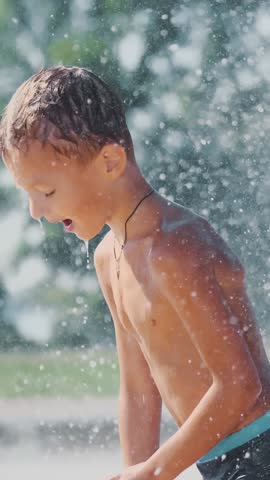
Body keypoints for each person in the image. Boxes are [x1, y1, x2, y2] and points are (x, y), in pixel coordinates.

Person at [1, 66, 270, 480]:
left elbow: (239, 386)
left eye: (48, 192)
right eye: (29, 196)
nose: (37, 212)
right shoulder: (109, 258)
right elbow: (139, 391)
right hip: (218, 461)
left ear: (110, 161)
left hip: (259, 452)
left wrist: (157, 469)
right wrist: (134, 471)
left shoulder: (175, 248)